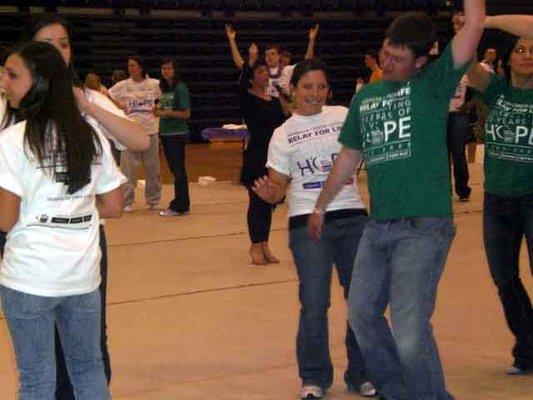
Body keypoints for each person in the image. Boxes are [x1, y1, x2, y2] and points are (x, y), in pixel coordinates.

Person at [309, 1, 485, 398]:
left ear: (423, 60)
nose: (387, 62)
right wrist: (321, 205)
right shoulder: (366, 97)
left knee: (409, 332)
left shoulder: (434, 83)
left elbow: (475, 23)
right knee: (362, 317)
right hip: (379, 227)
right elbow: (350, 156)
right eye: (386, 52)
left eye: (399, 58)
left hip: (424, 228)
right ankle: (398, 392)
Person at [12, 12, 149, 400]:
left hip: (83, 242)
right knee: (40, 352)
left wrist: (87, 108)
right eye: (48, 45)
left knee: (88, 345)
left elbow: (139, 141)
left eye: (65, 44)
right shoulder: (10, 98)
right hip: (26, 241)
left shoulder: (87, 100)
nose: (60, 53)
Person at [253, 59, 376, 400]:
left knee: (362, 300)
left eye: (321, 87)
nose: (315, 93)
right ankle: (314, 376)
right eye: (307, 86)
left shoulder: (343, 115)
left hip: (352, 217)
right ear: (293, 90)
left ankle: (362, 372)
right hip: (307, 223)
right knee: (314, 301)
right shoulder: (282, 134)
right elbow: (279, 185)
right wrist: (270, 194)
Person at [467, 14, 533, 376]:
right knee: (504, 277)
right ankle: (528, 345)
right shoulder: (497, 90)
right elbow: (465, 60)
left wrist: (488, 18)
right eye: (520, 50)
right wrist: (471, 27)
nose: (526, 55)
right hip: (498, 198)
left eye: (532, 50)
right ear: (508, 59)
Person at [238, 50, 289, 265]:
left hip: (273, 156)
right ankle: (255, 245)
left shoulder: (274, 99)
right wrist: (250, 58)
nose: (264, 75)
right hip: (257, 154)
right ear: (251, 78)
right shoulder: (247, 98)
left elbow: (285, 120)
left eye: (265, 71)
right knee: (256, 200)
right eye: (259, 71)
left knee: (270, 201)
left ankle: (265, 243)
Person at [109, 55, 162, 212]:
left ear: (141, 67)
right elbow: (106, 94)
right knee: (128, 170)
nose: (130, 68)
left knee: (153, 169)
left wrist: (159, 109)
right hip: (130, 133)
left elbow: (167, 97)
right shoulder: (123, 85)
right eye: (129, 65)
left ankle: (153, 200)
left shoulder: (154, 84)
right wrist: (118, 106)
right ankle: (127, 201)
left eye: (133, 65)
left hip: (150, 131)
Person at [226, 23, 319, 98]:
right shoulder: (260, 72)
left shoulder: (288, 70)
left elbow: (308, 61)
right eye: (267, 54)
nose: (269, 56)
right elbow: (239, 63)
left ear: (279, 56)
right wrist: (231, 40)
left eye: (272, 54)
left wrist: (311, 40)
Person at [154, 58, 191, 217]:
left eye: (169, 68)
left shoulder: (180, 88)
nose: (166, 71)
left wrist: (167, 113)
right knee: (175, 170)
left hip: (177, 134)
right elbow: (164, 109)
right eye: (163, 68)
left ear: (175, 70)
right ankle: (181, 202)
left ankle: (180, 204)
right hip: (167, 133)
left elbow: (185, 113)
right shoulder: (165, 88)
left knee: (178, 170)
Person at [448, 10, 472, 201]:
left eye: (463, 23)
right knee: (440, 155)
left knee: (458, 153)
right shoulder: (446, 51)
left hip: (459, 114)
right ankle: (442, 190)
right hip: (441, 113)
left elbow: (477, 86)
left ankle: (463, 190)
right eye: (456, 23)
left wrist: (467, 106)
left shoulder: (472, 52)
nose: (459, 27)